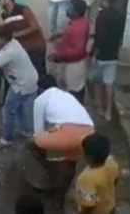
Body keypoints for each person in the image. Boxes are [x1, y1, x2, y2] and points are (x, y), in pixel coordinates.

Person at [28, 75, 94, 207]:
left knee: (31, 143)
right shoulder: (65, 95)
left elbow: (38, 133)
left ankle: (48, 173)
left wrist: (45, 153)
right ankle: (59, 198)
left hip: (69, 131)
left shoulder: (40, 100)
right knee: (70, 164)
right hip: (89, 131)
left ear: (40, 89)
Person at [89, 0, 125, 121]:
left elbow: (100, 38)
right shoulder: (120, 14)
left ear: (105, 0)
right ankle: (109, 111)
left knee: (96, 81)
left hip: (101, 54)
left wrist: (93, 53)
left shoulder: (102, 16)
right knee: (109, 83)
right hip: (113, 53)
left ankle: (99, 106)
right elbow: (120, 36)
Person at [0, 0, 46, 78]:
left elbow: (35, 27)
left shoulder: (23, 10)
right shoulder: (4, 15)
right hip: (23, 50)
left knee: (39, 75)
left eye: (0, 0)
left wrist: (16, 35)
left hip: (35, 47)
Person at [48, 0, 90, 103]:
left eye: (69, 8)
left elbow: (77, 51)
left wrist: (57, 56)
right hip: (72, 62)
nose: (67, 10)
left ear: (76, 12)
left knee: (74, 92)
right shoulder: (80, 23)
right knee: (74, 88)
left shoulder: (77, 28)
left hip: (73, 64)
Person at [75, 133, 120, 214]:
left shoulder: (86, 178)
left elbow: (89, 205)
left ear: (89, 157)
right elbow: (115, 180)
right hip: (109, 206)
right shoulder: (111, 161)